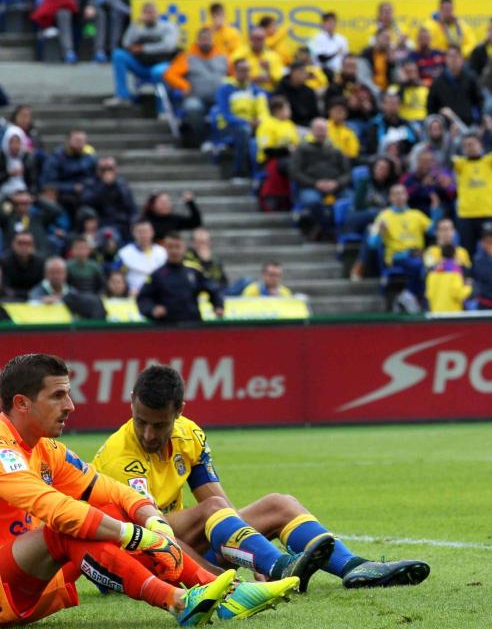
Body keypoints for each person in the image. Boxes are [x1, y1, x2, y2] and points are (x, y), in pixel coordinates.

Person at [93, 365, 431, 590]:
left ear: (179, 411)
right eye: (141, 421)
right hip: (130, 561)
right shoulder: (120, 459)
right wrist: (218, 579)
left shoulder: (189, 435)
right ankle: (281, 567)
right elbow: (154, 538)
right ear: (131, 404)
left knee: (279, 504)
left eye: (159, 424)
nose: (149, 434)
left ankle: (355, 567)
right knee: (208, 512)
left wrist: (246, 547)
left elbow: (225, 510)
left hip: (178, 543)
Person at [0, 353, 242, 626]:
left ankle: (226, 593)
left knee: (113, 510)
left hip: (29, 584)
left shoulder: (47, 448)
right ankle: (177, 601)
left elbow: (114, 491)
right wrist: (136, 536)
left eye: (68, 394)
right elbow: (54, 508)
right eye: (58, 396)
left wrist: (156, 523)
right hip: (7, 586)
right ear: (21, 403)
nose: (70, 406)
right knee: (66, 528)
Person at [162, 27, 229, 148]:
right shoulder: (187, 57)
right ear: (197, 41)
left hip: (219, 98)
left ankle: (224, 141)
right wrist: (184, 85)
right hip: (196, 96)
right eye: (203, 39)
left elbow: (234, 75)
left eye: (208, 39)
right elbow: (169, 74)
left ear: (213, 40)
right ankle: (202, 139)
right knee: (192, 107)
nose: (206, 42)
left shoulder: (223, 57)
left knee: (232, 106)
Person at [137, 232, 223, 323]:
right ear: (165, 248)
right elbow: (143, 298)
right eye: (170, 247)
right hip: (166, 327)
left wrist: (218, 306)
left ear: (184, 248)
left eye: (177, 247)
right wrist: (152, 309)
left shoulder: (194, 271)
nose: (174, 251)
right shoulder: (157, 274)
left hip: (193, 324)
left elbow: (213, 288)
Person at [104, 2, 178, 107]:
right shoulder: (139, 29)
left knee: (157, 71)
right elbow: (126, 43)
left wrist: (144, 48)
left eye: (152, 12)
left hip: (161, 65)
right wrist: (134, 24)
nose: (149, 15)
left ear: (158, 13)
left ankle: (163, 109)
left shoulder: (168, 27)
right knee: (118, 55)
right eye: (146, 13)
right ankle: (123, 96)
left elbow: (168, 46)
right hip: (141, 65)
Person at [289, 118, 351, 240]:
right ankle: (328, 229)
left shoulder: (336, 150)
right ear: (311, 131)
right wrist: (315, 183)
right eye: (318, 129)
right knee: (312, 201)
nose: (321, 132)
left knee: (349, 201)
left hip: (335, 186)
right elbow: (295, 173)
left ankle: (328, 229)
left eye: (324, 129)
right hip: (311, 186)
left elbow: (347, 173)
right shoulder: (302, 149)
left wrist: (337, 183)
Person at [215, 59, 269, 182]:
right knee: (243, 131)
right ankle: (239, 172)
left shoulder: (257, 90)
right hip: (229, 127)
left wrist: (260, 121)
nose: (245, 73)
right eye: (241, 70)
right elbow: (225, 114)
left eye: (247, 70)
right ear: (235, 71)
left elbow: (263, 111)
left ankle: (260, 176)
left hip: (253, 127)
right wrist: (246, 122)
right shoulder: (225, 89)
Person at [452, 133, 492, 257]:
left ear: (480, 145)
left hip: (487, 213)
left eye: (473, 144)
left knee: (490, 250)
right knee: (467, 251)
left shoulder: (490, 161)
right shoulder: (460, 164)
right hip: (466, 215)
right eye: (467, 145)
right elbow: (444, 158)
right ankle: (468, 276)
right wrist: (452, 138)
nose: (470, 147)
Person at [39, 130, 97, 215]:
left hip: (85, 192)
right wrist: (72, 187)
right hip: (64, 195)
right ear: (68, 141)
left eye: (82, 141)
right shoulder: (56, 158)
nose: (80, 144)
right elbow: (47, 182)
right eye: (77, 141)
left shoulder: (89, 158)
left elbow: (94, 178)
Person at [427, 45, 483, 127]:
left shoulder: (471, 78)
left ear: (462, 59)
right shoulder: (437, 82)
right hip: (446, 128)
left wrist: (478, 122)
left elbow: (479, 102)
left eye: (456, 56)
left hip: (468, 125)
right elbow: (431, 108)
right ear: (446, 59)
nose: (454, 59)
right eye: (450, 56)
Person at [0, 187, 63, 256]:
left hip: (38, 257)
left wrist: (35, 199)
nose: (23, 206)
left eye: (26, 203)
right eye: (19, 203)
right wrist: (9, 198)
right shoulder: (8, 218)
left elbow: (57, 211)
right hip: (13, 260)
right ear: (13, 204)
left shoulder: (38, 218)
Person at [116, 219, 166, 295]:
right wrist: (127, 290)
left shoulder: (162, 252)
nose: (143, 235)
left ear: (152, 232)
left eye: (146, 231)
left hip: (158, 294)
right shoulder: (124, 253)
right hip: (132, 294)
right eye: (139, 232)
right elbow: (117, 276)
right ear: (133, 233)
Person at [230, 27, 284, 95]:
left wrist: (268, 71)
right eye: (256, 39)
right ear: (250, 39)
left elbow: (279, 81)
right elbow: (232, 78)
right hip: (243, 90)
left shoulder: (274, 56)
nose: (259, 42)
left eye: (261, 39)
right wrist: (256, 79)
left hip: (267, 92)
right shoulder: (239, 54)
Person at [425, 244, 471, 313]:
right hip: (452, 316)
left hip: (436, 314)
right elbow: (458, 293)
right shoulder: (456, 272)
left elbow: (429, 294)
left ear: (441, 255)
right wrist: (469, 287)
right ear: (454, 255)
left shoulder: (432, 274)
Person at [1, 231, 45, 300]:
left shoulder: (40, 263)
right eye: (20, 243)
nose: (24, 247)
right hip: (9, 301)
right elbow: (4, 289)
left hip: (35, 301)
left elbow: (42, 287)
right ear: (13, 244)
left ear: (34, 245)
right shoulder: (4, 262)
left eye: (28, 244)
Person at [274, 62, 320, 128]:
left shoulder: (309, 91)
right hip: (287, 125)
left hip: (308, 125)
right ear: (292, 73)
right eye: (301, 72)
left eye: (304, 73)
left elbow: (315, 113)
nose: (304, 75)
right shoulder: (281, 89)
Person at [0, 125, 37, 198]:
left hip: (25, 194)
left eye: (17, 142)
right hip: (5, 194)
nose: (15, 146)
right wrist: (9, 174)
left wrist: (25, 170)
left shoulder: (27, 157)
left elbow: (33, 182)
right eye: (12, 142)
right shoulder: (2, 158)